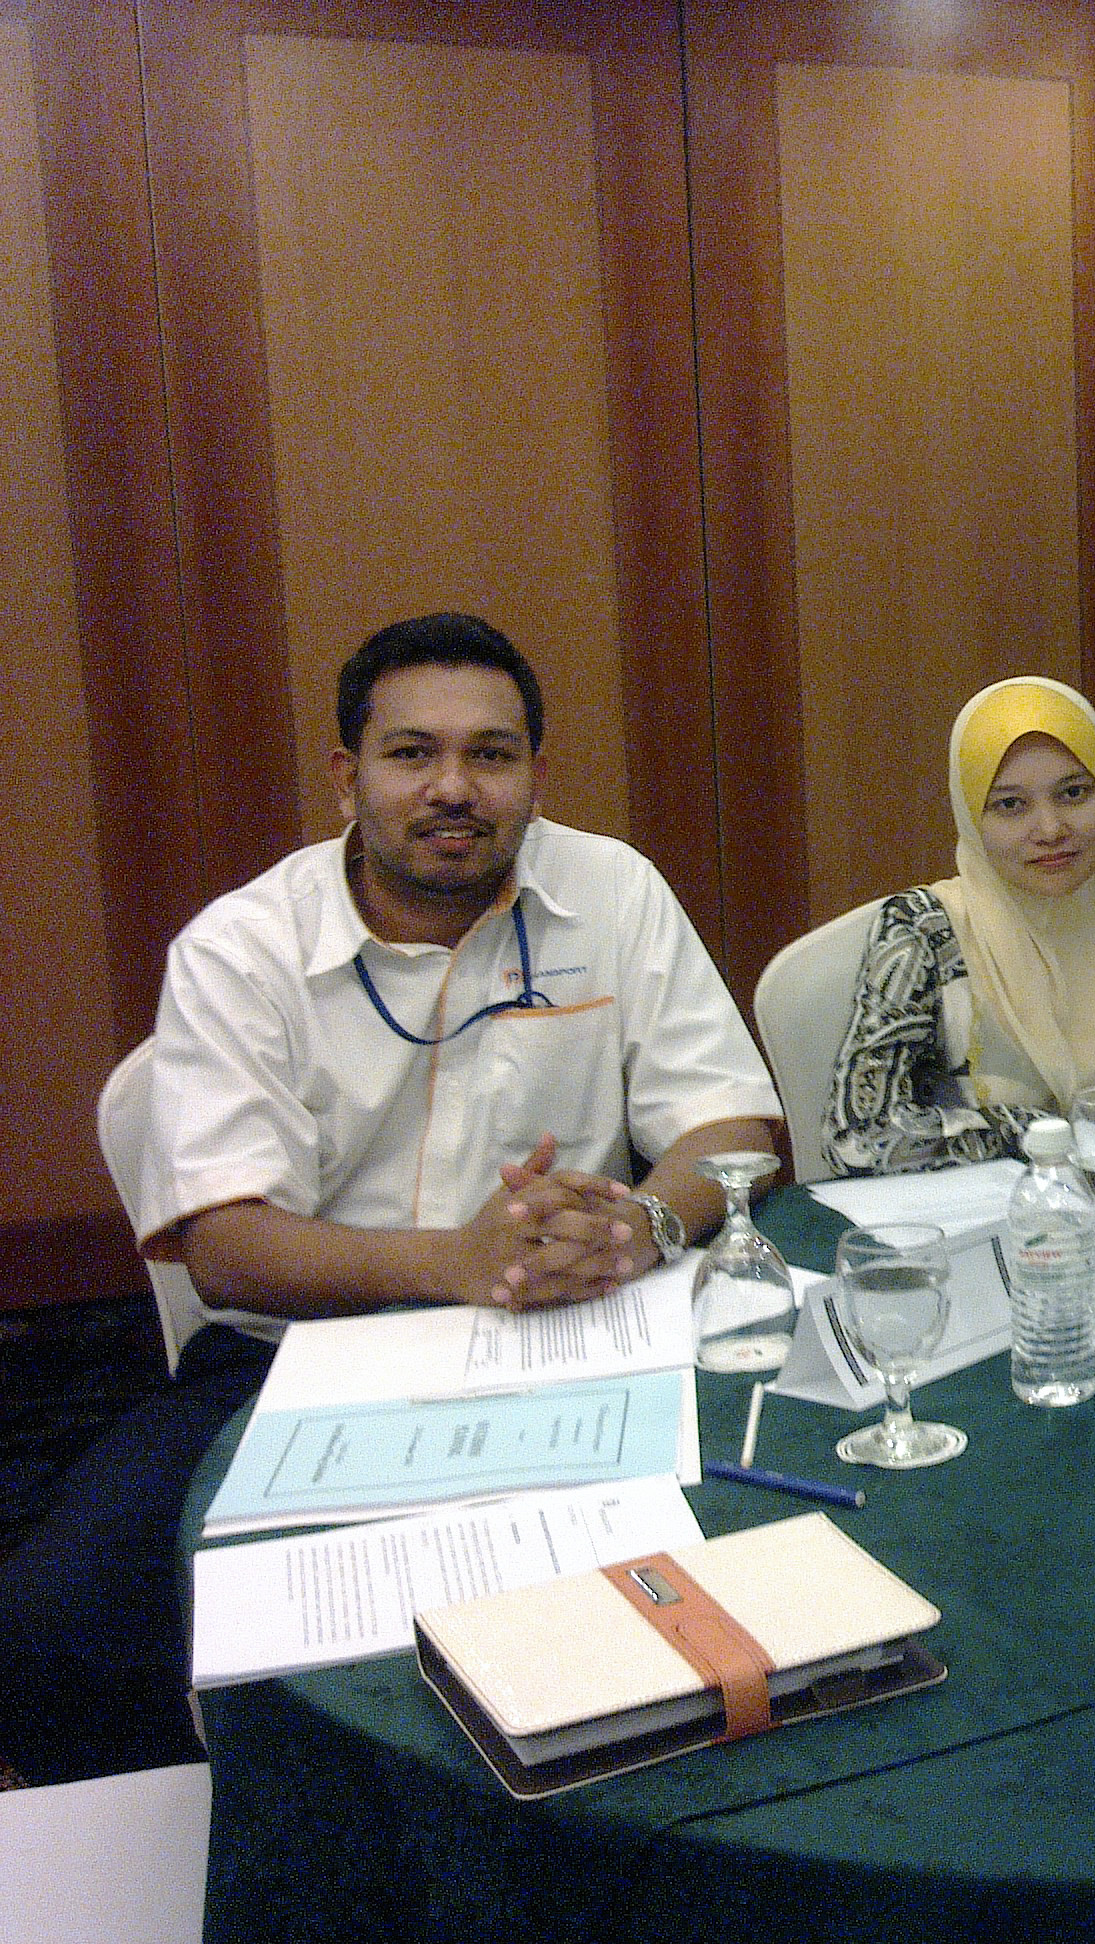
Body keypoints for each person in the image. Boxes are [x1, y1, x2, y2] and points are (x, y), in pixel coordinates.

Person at [0, 612, 784, 1783]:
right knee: (52, 1622)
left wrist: (642, 1222)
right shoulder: (241, 949)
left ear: (534, 775)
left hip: (572, 1337)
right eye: (413, 753)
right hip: (290, 1362)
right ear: (348, 775)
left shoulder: (612, 891)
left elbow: (732, 1128)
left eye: (490, 755)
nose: (453, 787)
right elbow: (227, 1245)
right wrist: (453, 1264)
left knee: (742, 1572)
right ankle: (249, 1824)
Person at [823, 675, 1095, 1175]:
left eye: (1074, 793)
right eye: (1010, 804)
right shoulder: (922, 933)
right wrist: (1030, 1133)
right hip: (973, 1215)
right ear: (971, 816)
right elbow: (858, 1137)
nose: (1051, 830)